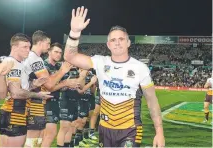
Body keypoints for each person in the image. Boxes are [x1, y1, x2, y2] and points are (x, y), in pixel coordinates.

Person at [64, 6, 165, 147]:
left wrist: (159, 132)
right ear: (108, 45)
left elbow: (152, 101)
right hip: (105, 129)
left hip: (131, 130)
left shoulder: (140, 68)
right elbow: (69, 56)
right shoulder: (99, 62)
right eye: (113, 40)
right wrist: (74, 32)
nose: (117, 42)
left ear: (128, 42)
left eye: (121, 39)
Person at [0, 33, 52, 147]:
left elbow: (19, 87)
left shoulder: (18, 63)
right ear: (14, 47)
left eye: (29, 47)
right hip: (15, 111)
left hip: (12, 111)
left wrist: (33, 84)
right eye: (25, 47)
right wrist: (38, 95)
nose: (28, 50)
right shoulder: (13, 63)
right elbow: (16, 93)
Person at [23, 30, 73, 147]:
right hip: (33, 102)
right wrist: (63, 71)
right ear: (40, 42)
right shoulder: (35, 59)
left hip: (33, 101)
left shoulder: (31, 57)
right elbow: (49, 85)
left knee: (38, 137)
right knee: (33, 139)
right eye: (48, 44)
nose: (48, 46)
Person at [42, 42, 80, 147]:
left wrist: (69, 85)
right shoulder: (44, 65)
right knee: (49, 134)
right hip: (44, 102)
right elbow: (48, 86)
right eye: (56, 52)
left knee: (48, 135)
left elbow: (61, 86)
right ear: (49, 52)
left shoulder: (59, 66)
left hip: (55, 102)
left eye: (60, 53)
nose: (58, 54)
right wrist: (65, 83)